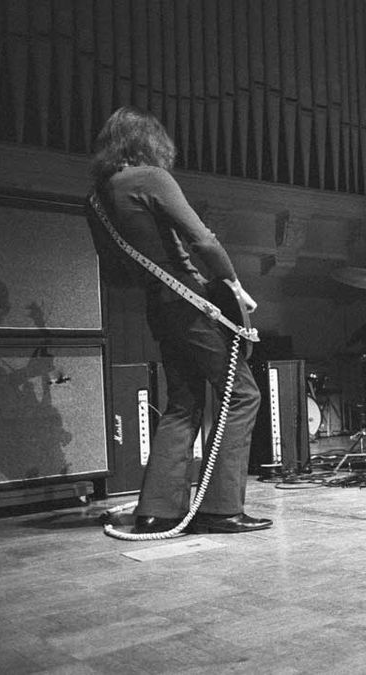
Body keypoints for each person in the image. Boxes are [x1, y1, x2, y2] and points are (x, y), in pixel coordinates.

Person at [86, 106, 270, 534]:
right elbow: (202, 238)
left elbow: (116, 274)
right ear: (148, 142)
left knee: (183, 402)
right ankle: (221, 508)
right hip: (191, 303)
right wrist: (233, 282)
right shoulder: (149, 177)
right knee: (241, 395)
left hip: (159, 307)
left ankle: (157, 511)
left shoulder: (96, 201)